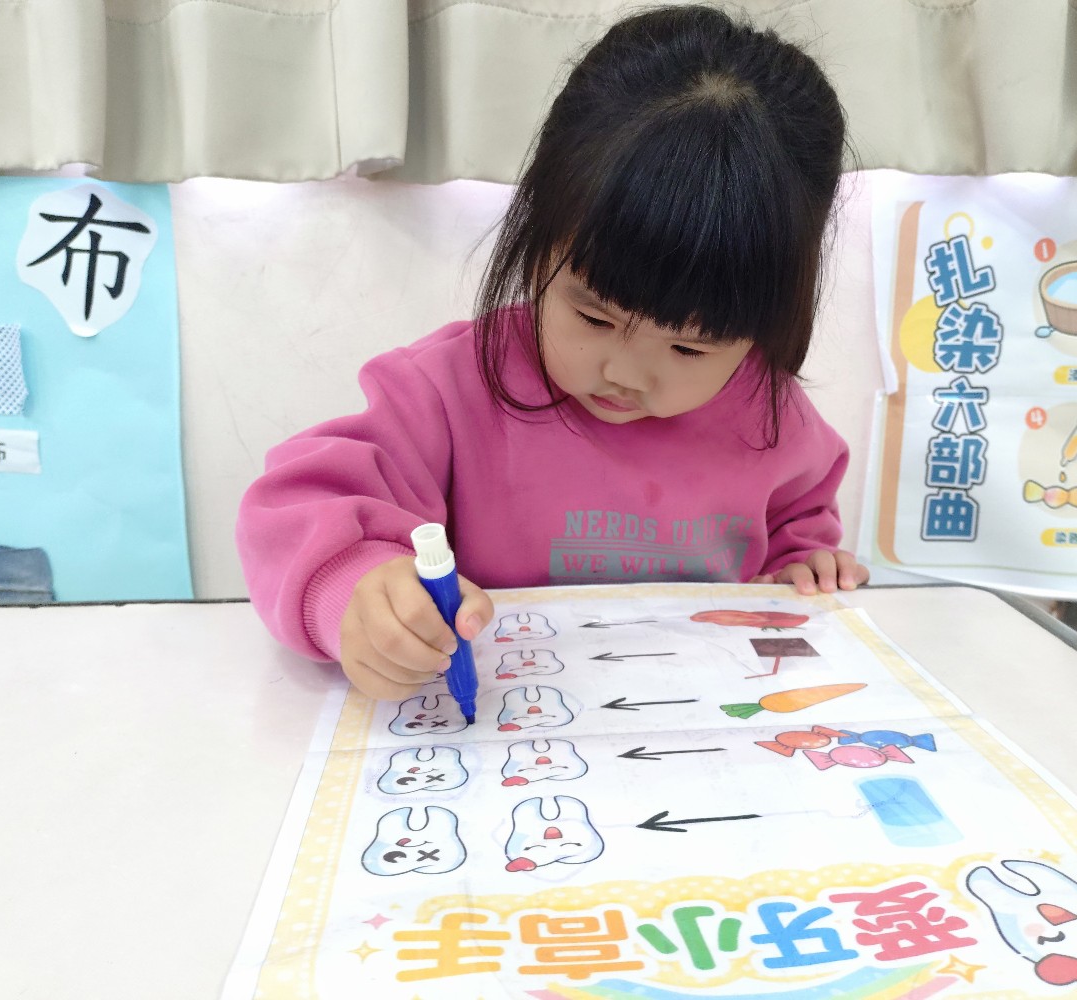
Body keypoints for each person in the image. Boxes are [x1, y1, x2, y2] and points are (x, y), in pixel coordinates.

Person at [237, 5, 867, 701]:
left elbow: (797, 528)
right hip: (509, 726)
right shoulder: (446, 392)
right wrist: (354, 593)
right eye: (593, 317)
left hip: (691, 717)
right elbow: (299, 507)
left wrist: (802, 569)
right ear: (537, 241)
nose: (625, 374)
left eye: (689, 348)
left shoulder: (773, 415)